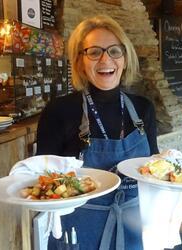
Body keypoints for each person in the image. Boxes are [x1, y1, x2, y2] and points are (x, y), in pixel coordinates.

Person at [36, 14, 159, 250]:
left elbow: (152, 169)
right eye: (94, 52)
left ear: (124, 58)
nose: (106, 59)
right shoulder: (59, 111)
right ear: (80, 61)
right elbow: (42, 180)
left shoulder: (144, 108)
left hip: (135, 226)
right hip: (78, 231)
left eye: (114, 51)